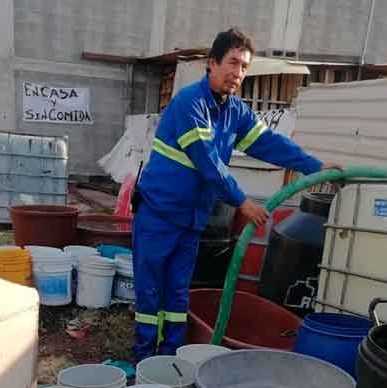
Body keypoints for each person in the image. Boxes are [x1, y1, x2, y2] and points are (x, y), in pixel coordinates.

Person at [130, 28, 341, 362]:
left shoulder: (235, 111)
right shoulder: (189, 102)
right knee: (150, 293)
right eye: (232, 62)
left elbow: (269, 143)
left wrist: (313, 165)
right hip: (158, 214)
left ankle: (167, 360)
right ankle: (142, 362)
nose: (238, 73)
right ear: (212, 63)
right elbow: (208, 162)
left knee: (177, 295)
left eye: (244, 66)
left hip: (190, 220)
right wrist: (242, 201)